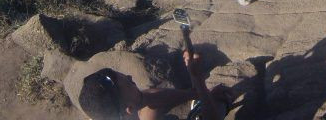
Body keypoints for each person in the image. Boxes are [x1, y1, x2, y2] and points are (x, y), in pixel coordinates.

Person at [78, 50, 229, 120]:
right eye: (129, 83)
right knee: (220, 104)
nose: (131, 77)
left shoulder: (110, 111)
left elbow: (149, 97)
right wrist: (199, 80)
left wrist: (198, 94)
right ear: (128, 110)